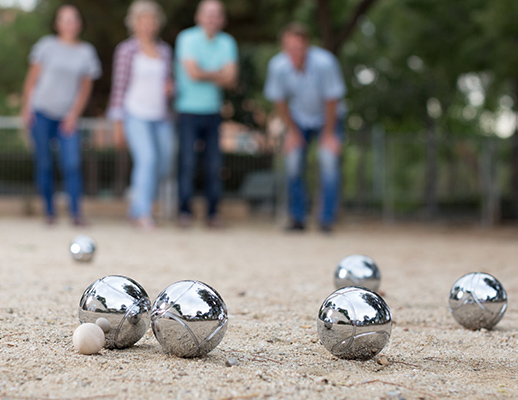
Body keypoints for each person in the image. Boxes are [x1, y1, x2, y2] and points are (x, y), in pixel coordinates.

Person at [21, 4, 101, 226]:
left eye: (73, 19)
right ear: (57, 24)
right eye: (64, 19)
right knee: (45, 163)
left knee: (72, 163)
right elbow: (32, 79)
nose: (69, 23)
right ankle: (50, 212)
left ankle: (76, 213)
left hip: (67, 117)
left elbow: (85, 88)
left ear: (79, 24)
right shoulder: (46, 46)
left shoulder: (86, 52)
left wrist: (74, 114)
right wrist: (25, 108)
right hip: (41, 112)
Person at [264, 23, 347, 233]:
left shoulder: (325, 63)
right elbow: (279, 101)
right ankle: (297, 218)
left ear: (307, 46)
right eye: (289, 48)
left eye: (298, 48)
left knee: (328, 162)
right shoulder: (278, 66)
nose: (295, 53)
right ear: (283, 47)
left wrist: (328, 134)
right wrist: (292, 131)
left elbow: (332, 100)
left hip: (327, 118)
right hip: (298, 118)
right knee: (292, 164)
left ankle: (326, 220)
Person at [107, 0, 174, 231]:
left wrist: (170, 89)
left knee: (163, 164)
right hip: (135, 114)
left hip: (161, 117)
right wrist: (117, 122)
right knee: (147, 159)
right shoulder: (126, 50)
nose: (147, 24)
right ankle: (143, 213)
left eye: (151, 20)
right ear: (134, 23)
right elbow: (119, 87)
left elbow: (168, 84)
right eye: (143, 20)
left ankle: (136, 207)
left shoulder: (165, 51)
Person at [175, 0, 238, 228]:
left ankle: (212, 214)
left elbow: (231, 78)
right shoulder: (186, 39)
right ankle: (184, 212)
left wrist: (205, 72)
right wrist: (218, 73)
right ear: (198, 17)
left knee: (214, 166)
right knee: (188, 164)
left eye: (217, 14)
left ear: (222, 19)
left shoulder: (227, 42)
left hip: (213, 112)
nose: (212, 18)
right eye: (208, 14)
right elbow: (192, 73)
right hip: (187, 111)